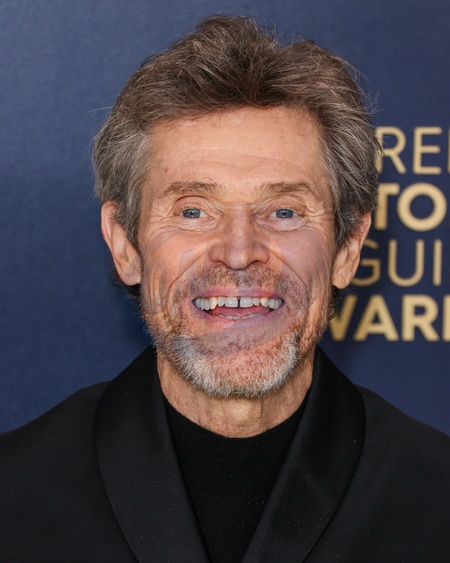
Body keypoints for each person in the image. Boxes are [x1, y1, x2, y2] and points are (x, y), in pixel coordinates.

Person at [0, 14, 449, 563]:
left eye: (284, 211)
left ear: (348, 248)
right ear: (124, 244)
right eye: (193, 211)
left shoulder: (435, 499)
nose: (239, 251)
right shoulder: (15, 495)